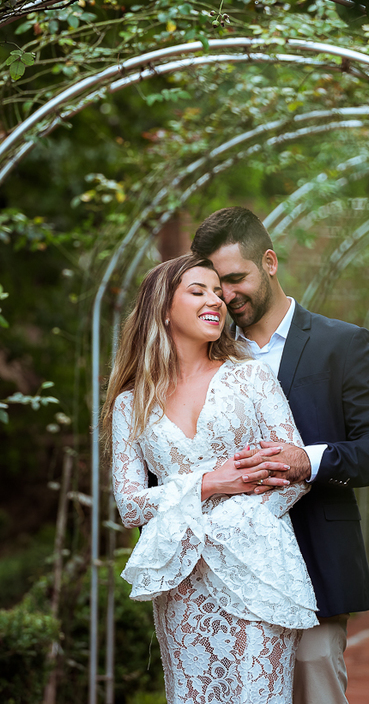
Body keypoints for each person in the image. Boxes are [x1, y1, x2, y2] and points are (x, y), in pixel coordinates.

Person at [190, 207, 369, 704]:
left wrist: (308, 461)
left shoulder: (342, 344)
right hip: (225, 571)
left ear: (269, 262)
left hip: (315, 563)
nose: (226, 296)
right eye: (215, 286)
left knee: (315, 687)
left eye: (235, 279)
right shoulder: (206, 354)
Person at [104, 253, 319, 704]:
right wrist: (210, 483)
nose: (216, 301)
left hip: (258, 568)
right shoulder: (131, 402)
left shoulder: (252, 379)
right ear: (164, 309)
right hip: (182, 579)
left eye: (218, 293)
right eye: (198, 291)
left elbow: (295, 474)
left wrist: (230, 526)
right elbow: (130, 505)